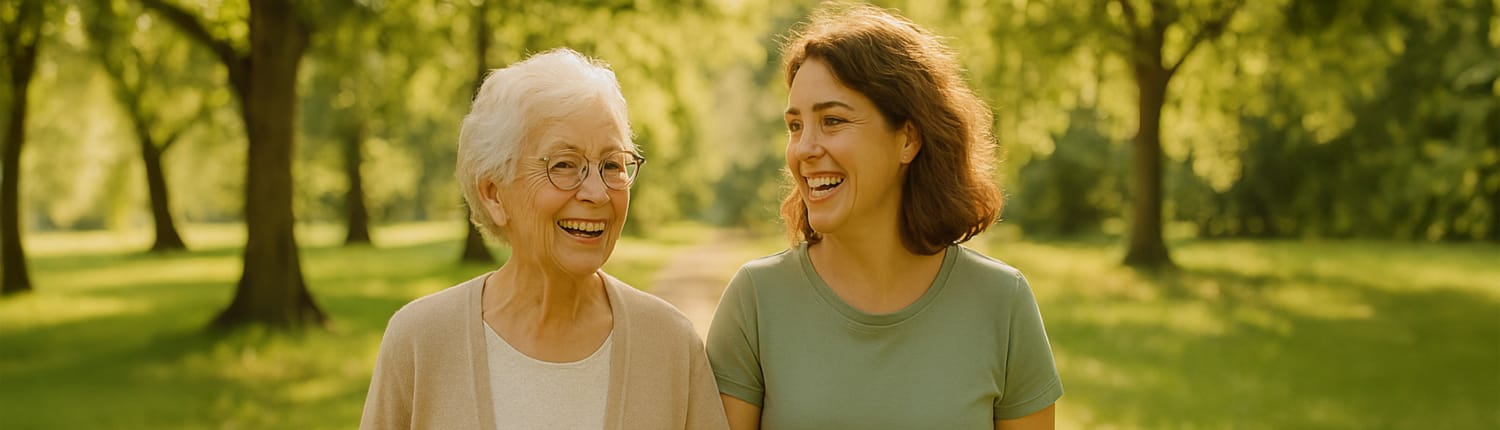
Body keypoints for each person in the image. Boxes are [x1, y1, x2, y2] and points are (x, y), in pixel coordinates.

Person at [706, 4, 1063, 429]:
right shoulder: (756, 302)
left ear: (908, 139)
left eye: (832, 120)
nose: (803, 149)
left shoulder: (1002, 304)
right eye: (795, 126)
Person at [360, 48, 728, 429]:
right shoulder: (420, 342)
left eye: (612, 165)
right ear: (494, 193)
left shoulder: (670, 344)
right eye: (564, 165)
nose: (597, 193)